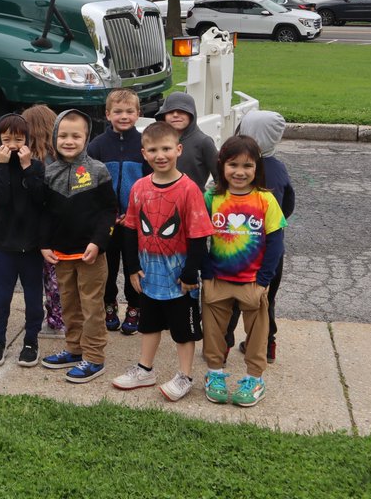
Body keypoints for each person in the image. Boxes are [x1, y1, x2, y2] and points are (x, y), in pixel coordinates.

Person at [111, 121, 214, 402]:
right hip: (148, 272)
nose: (161, 155)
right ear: (144, 153)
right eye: (153, 149)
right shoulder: (139, 187)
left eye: (166, 148)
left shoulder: (189, 189)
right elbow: (131, 228)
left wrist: (191, 273)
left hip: (180, 276)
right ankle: (145, 369)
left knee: (183, 331)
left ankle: (185, 375)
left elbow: (198, 236)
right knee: (149, 323)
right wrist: (131, 267)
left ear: (178, 149)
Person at [201, 135, 287, 408]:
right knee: (213, 332)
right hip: (217, 279)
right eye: (233, 164)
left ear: (257, 168)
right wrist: (204, 271)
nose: (239, 172)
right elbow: (196, 235)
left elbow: (275, 241)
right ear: (222, 166)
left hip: (252, 281)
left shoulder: (265, 199)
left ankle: (254, 378)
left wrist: (264, 280)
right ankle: (215, 374)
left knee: (258, 333)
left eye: (247, 166)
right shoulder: (212, 197)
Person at [39, 110, 118, 383]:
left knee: (92, 306)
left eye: (76, 135)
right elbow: (44, 214)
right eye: (63, 135)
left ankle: (94, 358)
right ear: (54, 137)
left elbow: (109, 211)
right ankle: (74, 349)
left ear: (87, 138)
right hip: (61, 255)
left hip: (90, 256)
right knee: (69, 304)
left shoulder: (97, 171)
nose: (69, 141)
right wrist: (44, 243)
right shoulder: (48, 172)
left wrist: (99, 242)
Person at [226, 110, 296, 362]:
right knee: (265, 300)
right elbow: (288, 204)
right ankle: (267, 345)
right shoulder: (278, 169)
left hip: (237, 249)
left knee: (231, 298)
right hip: (270, 251)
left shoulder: (236, 167)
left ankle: (222, 344)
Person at [0, 113, 48, 368]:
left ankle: (31, 341)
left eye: (18, 138)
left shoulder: (36, 167)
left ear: (28, 141)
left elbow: (40, 197)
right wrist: (0, 166)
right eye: (6, 138)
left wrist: (27, 167)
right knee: (1, 299)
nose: (12, 143)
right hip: (5, 245)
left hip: (31, 246)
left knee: (33, 299)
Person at [86, 88, 149, 336]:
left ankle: (135, 307)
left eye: (129, 111)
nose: (124, 116)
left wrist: (135, 212)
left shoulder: (144, 143)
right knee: (107, 267)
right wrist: (105, 212)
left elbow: (150, 181)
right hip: (107, 220)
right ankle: (109, 305)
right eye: (118, 111)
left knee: (134, 265)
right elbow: (90, 182)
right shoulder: (98, 146)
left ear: (138, 114)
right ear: (107, 114)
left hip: (135, 220)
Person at [22, 103, 63, 338]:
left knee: (35, 279)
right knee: (55, 279)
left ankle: (47, 319)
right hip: (56, 230)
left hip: (32, 229)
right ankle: (57, 319)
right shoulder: (59, 159)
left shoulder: (28, 161)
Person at [154, 91, 218, 189]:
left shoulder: (204, 142)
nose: (175, 115)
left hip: (193, 200)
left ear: (191, 114)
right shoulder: (156, 140)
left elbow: (220, 177)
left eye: (181, 111)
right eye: (170, 111)